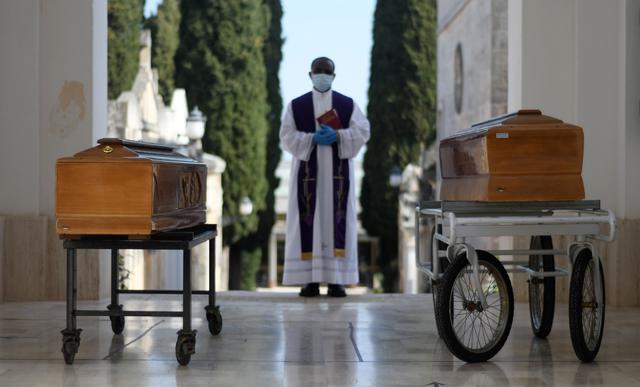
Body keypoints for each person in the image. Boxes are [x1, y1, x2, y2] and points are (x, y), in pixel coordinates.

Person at [279, 57, 370, 297]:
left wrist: (340, 136)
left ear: (334, 75)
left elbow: (363, 131)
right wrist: (311, 139)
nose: (322, 75)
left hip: (337, 179)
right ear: (310, 75)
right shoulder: (296, 106)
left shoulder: (347, 104)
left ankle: (336, 281)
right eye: (318, 71)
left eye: (326, 71)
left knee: (337, 223)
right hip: (306, 177)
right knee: (307, 222)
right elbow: (286, 135)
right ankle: (308, 281)